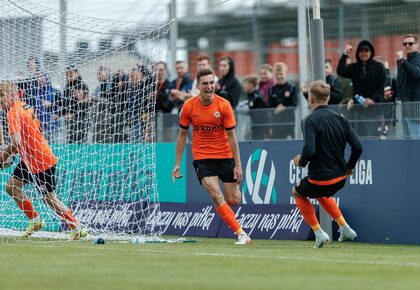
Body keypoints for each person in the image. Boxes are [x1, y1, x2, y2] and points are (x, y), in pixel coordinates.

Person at [172, 68, 251, 245]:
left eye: (211, 83)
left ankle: (233, 217)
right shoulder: (189, 107)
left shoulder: (224, 105)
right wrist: (177, 163)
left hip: (224, 155)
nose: (209, 87)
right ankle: (241, 234)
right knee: (215, 194)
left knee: (234, 200)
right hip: (202, 156)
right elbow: (182, 135)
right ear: (198, 86)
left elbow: (232, 137)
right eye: (205, 84)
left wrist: (238, 166)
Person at [0, 81, 87, 240]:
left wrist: (4, 157)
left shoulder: (12, 112)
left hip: (40, 160)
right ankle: (35, 220)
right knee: (11, 187)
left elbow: (16, 142)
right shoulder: (23, 105)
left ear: (13, 95)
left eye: (2, 96)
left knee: (49, 198)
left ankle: (76, 228)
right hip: (30, 159)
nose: (0, 101)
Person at [292, 80, 362, 248]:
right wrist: (349, 167)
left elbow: (309, 150)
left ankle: (319, 233)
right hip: (340, 179)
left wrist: (300, 162)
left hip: (320, 179)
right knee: (321, 194)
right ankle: (345, 228)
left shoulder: (309, 121)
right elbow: (358, 147)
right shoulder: (341, 119)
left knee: (297, 192)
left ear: (310, 99)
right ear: (328, 98)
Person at [337, 40, 386, 138]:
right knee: (359, 137)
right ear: (357, 53)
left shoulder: (379, 67)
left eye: (366, 51)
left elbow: (381, 88)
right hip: (358, 109)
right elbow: (341, 71)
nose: (363, 54)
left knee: (375, 137)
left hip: (375, 109)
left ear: (371, 52)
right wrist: (345, 54)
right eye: (361, 51)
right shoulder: (354, 67)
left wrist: (372, 100)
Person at [396, 34, 420, 138]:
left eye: (410, 43)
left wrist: (402, 60)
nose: (407, 45)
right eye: (405, 44)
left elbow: (416, 73)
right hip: (404, 109)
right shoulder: (403, 62)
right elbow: (400, 84)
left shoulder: (417, 59)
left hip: (415, 109)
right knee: (406, 143)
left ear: (417, 45)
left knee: (416, 141)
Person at [268, 62, 297, 139]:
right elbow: (269, 106)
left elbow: (294, 105)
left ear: (285, 74)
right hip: (276, 124)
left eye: (281, 74)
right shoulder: (271, 89)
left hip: (289, 124)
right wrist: (276, 110)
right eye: (277, 74)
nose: (279, 76)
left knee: (289, 147)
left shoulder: (292, 88)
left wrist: (284, 108)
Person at [242, 74, 266, 140]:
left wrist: (253, 127)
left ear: (251, 85)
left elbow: (260, 116)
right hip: (253, 126)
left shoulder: (258, 98)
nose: (244, 86)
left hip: (259, 128)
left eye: (245, 84)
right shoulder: (249, 95)